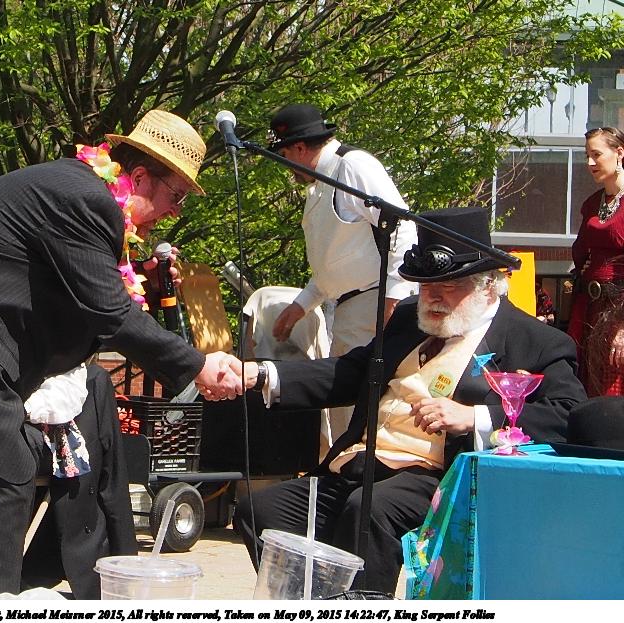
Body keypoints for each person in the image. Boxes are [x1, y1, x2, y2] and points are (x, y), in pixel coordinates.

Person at [0, 109, 241, 599]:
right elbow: (108, 312)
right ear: (138, 177)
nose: (176, 211)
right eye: (176, 196)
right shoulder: (87, 200)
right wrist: (197, 365)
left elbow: (72, 294)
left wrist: (146, 285)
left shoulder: (80, 193)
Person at [232, 207, 587, 595]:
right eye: (426, 286)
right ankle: (314, 603)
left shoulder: (535, 342)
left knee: (368, 510)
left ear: (488, 286)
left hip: (436, 477)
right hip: (358, 463)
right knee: (259, 511)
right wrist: (263, 374)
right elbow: (352, 371)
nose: (433, 298)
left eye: (448, 286)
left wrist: (475, 417)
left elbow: (567, 416)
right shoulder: (407, 318)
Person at [266, 103, 418, 439]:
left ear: (300, 148)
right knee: (346, 413)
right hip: (353, 307)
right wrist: (301, 305)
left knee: (358, 415)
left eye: (285, 154)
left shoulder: (352, 165)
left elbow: (401, 227)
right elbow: (338, 260)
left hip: (372, 304)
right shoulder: (323, 181)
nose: (286, 166)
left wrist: (393, 298)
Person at [21, 362, 137, 599]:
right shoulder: (2, 380)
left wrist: (127, 565)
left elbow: (113, 476)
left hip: (83, 551)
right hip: (20, 552)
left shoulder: (91, 380)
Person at [568, 126, 624, 396]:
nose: (590, 162)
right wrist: (588, 268)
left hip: (619, 310)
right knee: (585, 383)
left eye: (596, 154)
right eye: (586, 156)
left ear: (619, 153)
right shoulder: (592, 203)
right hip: (589, 306)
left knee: (614, 381)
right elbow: (580, 252)